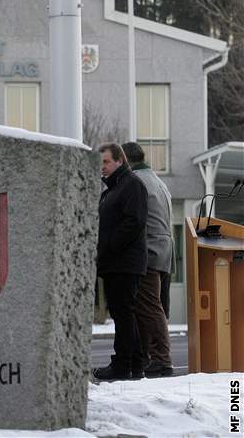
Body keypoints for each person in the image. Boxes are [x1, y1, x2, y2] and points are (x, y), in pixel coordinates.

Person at [93, 142, 148, 381]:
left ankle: (123, 364)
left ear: (120, 161)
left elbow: (133, 222)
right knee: (123, 313)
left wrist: (108, 247)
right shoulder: (113, 189)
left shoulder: (132, 185)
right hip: (116, 262)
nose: (102, 167)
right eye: (100, 163)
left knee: (124, 313)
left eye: (106, 162)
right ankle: (134, 364)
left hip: (125, 262)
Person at [122, 141, 175, 377]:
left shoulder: (137, 181)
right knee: (152, 305)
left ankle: (162, 359)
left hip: (149, 250)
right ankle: (150, 357)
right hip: (164, 250)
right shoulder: (157, 180)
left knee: (150, 306)